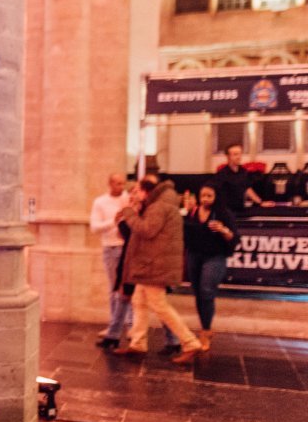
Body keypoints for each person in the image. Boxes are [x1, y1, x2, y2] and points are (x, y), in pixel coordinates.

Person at [115, 179, 204, 358]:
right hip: (153, 263)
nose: (133, 195)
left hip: (155, 265)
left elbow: (147, 230)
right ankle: (138, 343)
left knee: (159, 305)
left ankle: (190, 342)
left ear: (146, 192)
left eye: (136, 191)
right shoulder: (161, 204)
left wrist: (129, 213)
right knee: (139, 301)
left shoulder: (159, 207)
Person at [180, 183, 238, 360]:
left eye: (209, 196)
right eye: (202, 196)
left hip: (215, 256)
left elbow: (234, 237)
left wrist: (223, 230)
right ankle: (205, 327)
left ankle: (205, 331)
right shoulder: (192, 212)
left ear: (216, 197)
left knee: (206, 290)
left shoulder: (223, 213)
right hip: (194, 255)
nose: (205, 199)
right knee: (198, 292)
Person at [89, 173, 133, 350]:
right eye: (117, 183)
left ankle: (130, 326)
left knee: (129, 288)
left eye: (123, 183)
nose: (121, 187)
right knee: (114, 289)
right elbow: (94, 227)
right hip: (111, 247)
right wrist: (113, 222)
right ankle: (114, 326)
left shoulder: (128, 199)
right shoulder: (100, 202)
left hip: (128, 246)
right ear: (110, 184)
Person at [212, 143, 272, 212]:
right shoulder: (222, 174)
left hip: (240, 208)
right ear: (228, 156)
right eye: (235, 154)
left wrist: (260, 202)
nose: (239, 157)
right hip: (226, 210)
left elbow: (247, 188)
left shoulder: (243, 171)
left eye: (240, 154)